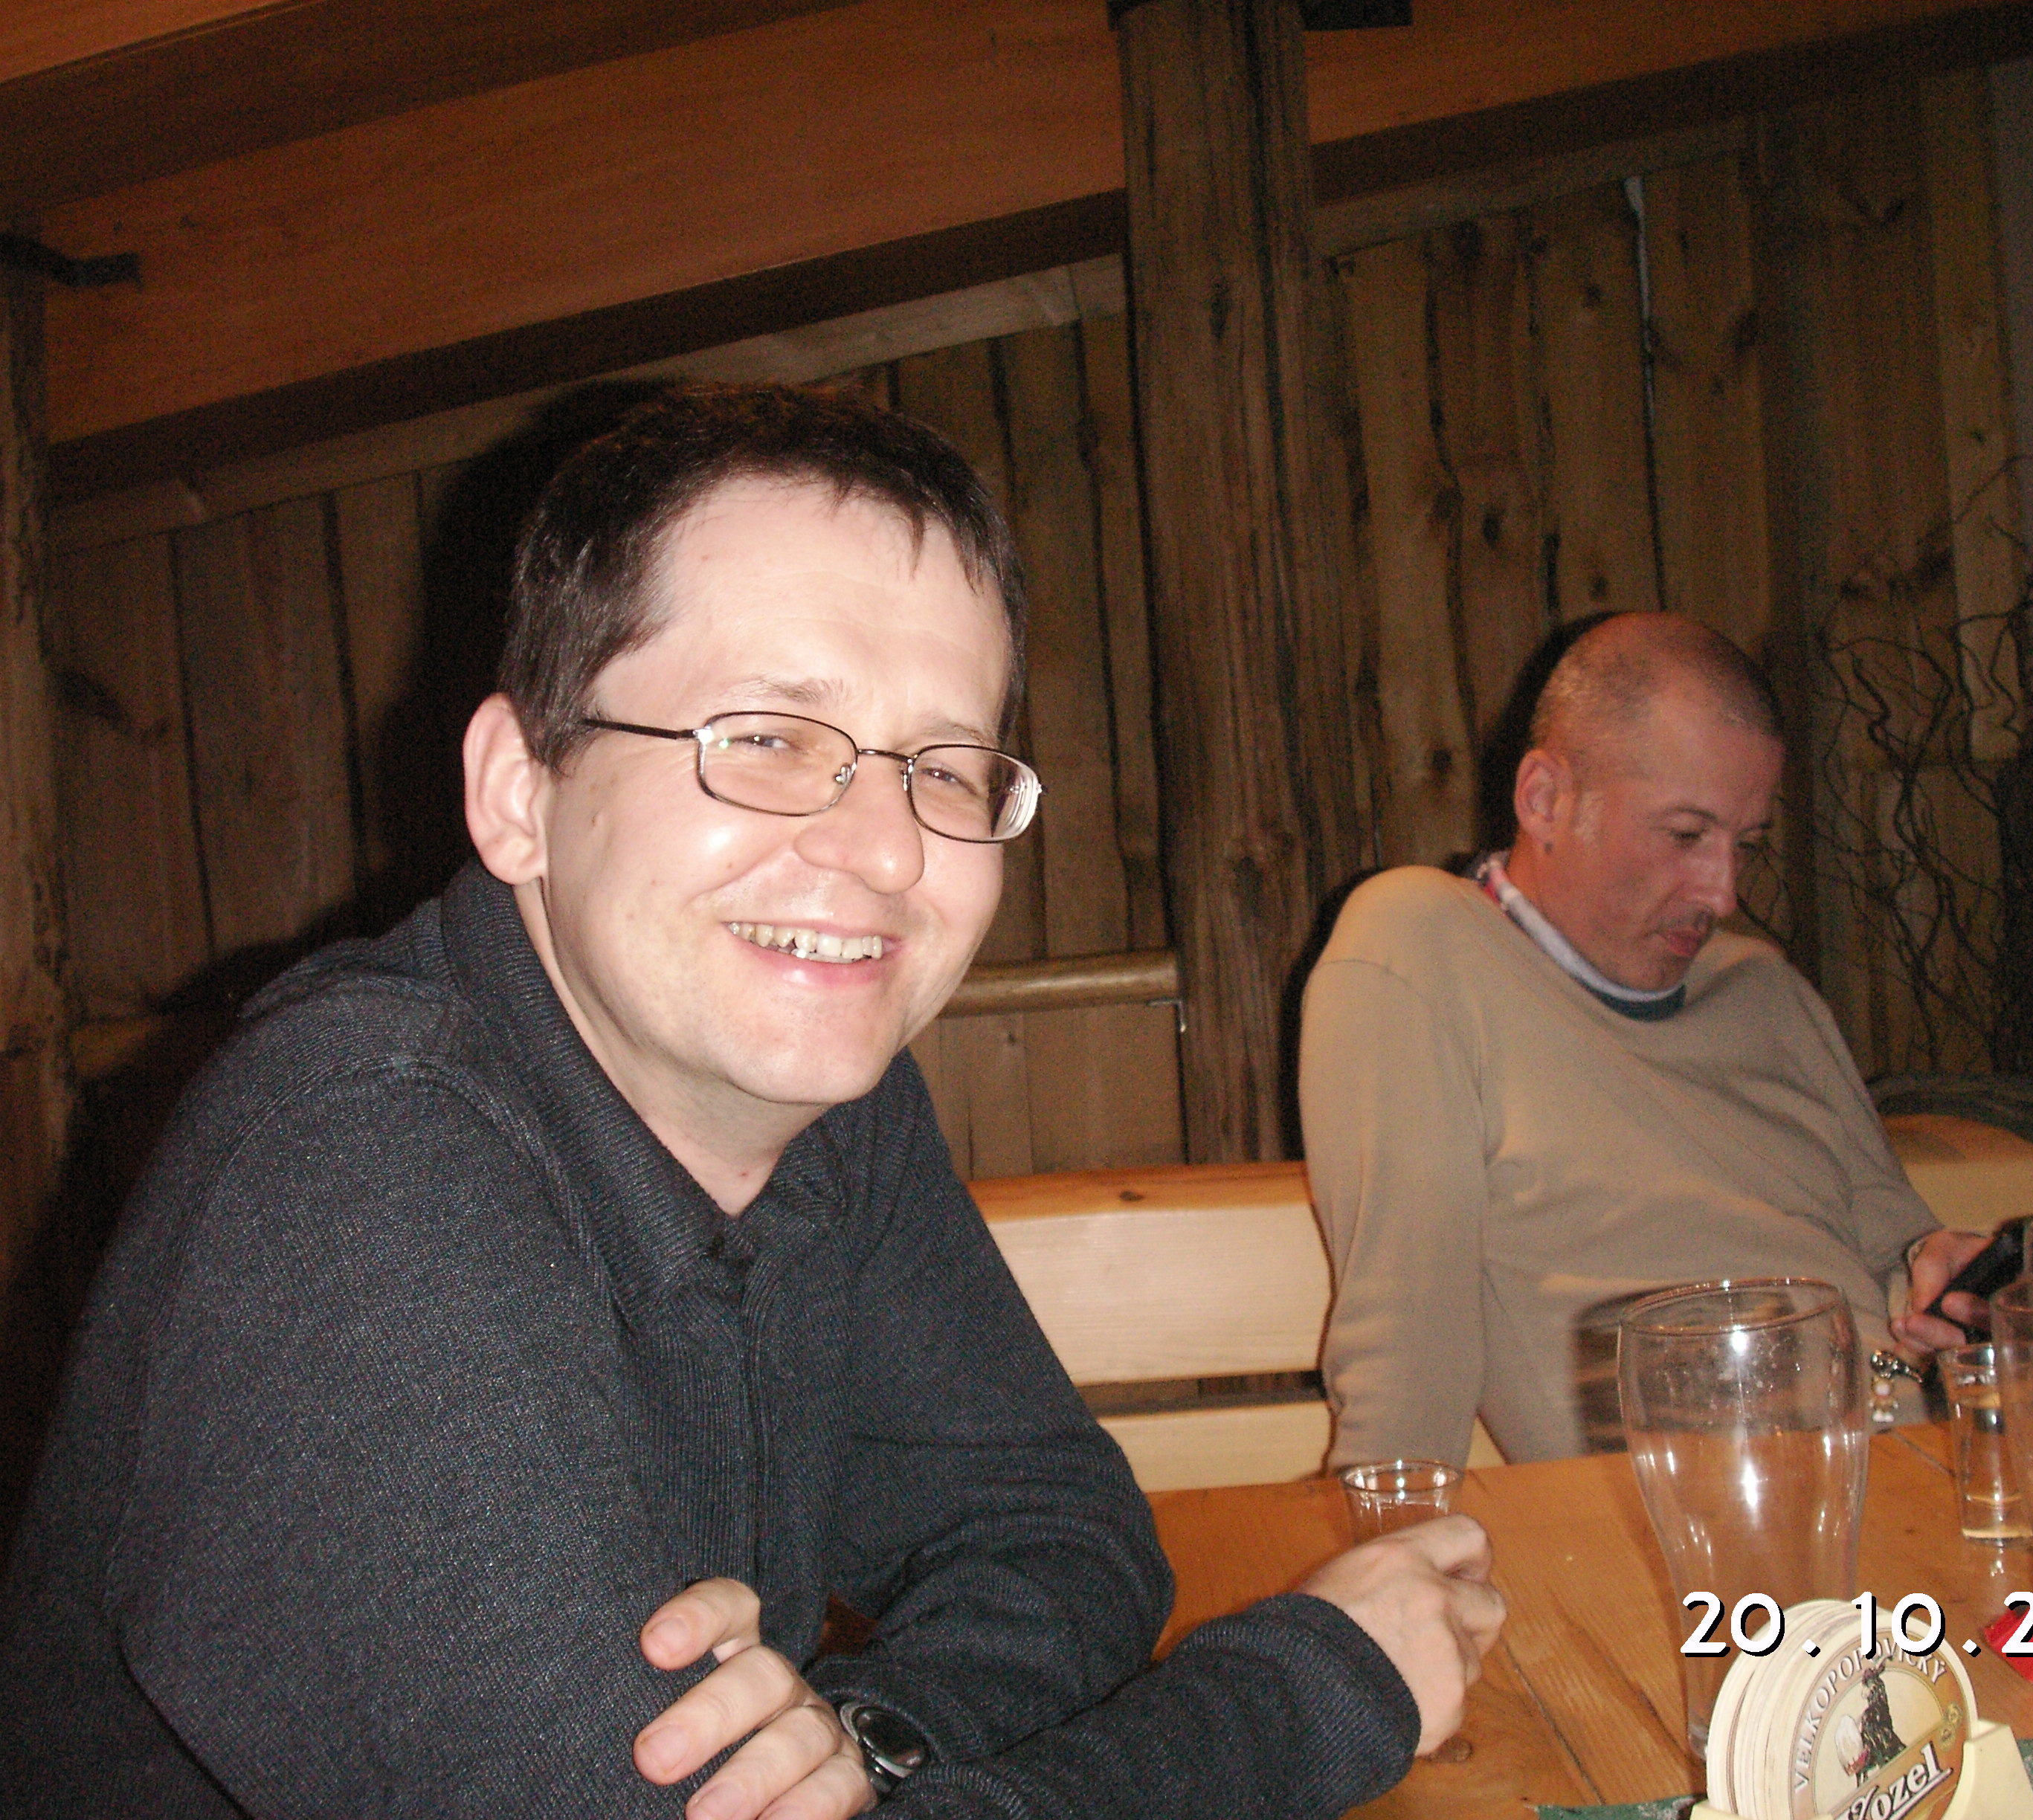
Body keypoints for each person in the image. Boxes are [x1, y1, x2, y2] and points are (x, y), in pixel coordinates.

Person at [0, 385, 1505, 1819]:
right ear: (519, 791)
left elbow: (1063, 1534)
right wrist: (1311, 1692)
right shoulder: (350, 1170)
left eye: (945, 767)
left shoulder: (825, 1099)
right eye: (771, 739)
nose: (890, 850)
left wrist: (865, 1743)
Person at [1300, 612, 1991, 1469]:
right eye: (1685, 835)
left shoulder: (1763, 990)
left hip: (1936, 1473)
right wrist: (1386, 1541)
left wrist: (1940, 1268)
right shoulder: (1421, 946)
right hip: (1710, 1511)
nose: (1723, 894)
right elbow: (1405, 1347)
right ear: (1545, 800)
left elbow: (1896, 1239)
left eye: (1746, 844)